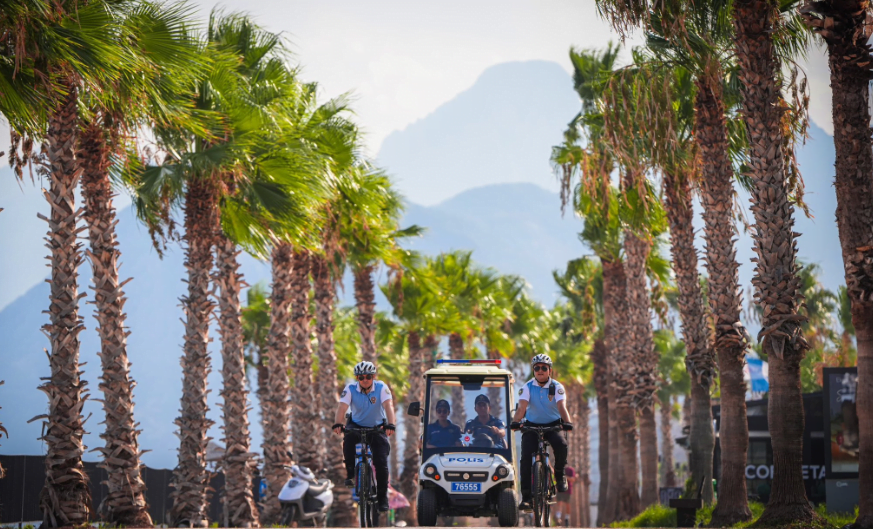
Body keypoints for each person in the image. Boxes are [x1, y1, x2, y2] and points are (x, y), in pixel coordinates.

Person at [510, 353, 573, 510]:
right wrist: (515, 422)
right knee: (525, 459)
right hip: (531, 426)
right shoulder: (527, 387)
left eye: (544, 368)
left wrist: (567, 422)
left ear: (550, 370)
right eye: (536, 368)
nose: (540, 371)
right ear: (533, 370)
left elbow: (561, 407)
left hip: (553, 426)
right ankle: (526, 498)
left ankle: (559, 475)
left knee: (561, 445)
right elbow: (522, 408)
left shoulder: (557, 387)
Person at [333, 360, 396, 512]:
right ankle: (350, 473)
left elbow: (388, 406)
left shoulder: (381, 387)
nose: (365, 380)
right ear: (357, 378)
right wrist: (338, 423)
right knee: (348, 441)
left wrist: (391, 424)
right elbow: (342, 407)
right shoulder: (350, 389)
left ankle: (382, 498)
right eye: (361, 377)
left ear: (373, 376)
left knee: (381, 461)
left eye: (368, 376)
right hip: (356, 424)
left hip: (376, 427)